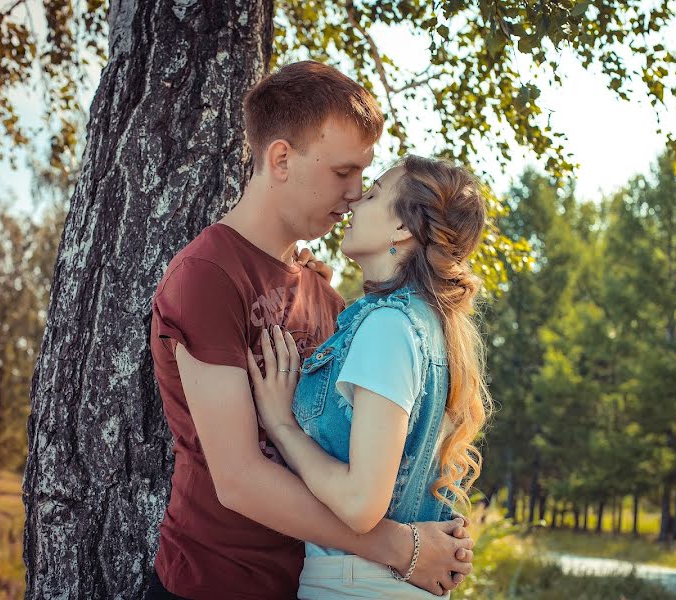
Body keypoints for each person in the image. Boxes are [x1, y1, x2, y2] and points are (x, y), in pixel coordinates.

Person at [147, 61, 474, 599]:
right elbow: (240, 480)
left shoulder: (329, 299)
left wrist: (438, 532)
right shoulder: (208, 276)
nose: (354, 193)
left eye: (364, 177)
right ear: (281, 159)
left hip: (313, 584)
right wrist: (403, 549)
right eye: (343, 173)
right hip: (218, 583)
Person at [249, 155, 492, 598]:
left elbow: (362, 505)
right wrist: (309, 294)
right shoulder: (415, 325)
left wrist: (282, 427)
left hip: (356, 586)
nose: (356, 199)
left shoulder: (389, 328)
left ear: (402, 228)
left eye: (375, 193)